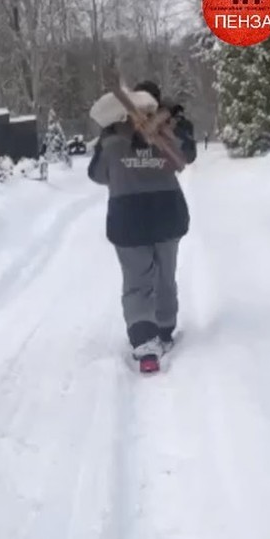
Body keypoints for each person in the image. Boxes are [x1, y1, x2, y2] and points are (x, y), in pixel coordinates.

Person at [88, 80, 197, 367]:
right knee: (165, 275)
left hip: (128, 217)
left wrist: (113, 146)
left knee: (137, 282)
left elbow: (97, 174)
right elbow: (188, 156)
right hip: (167, 213)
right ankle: (164, 329)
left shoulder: (112, 137)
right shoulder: (169, 132)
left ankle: (145, 341)